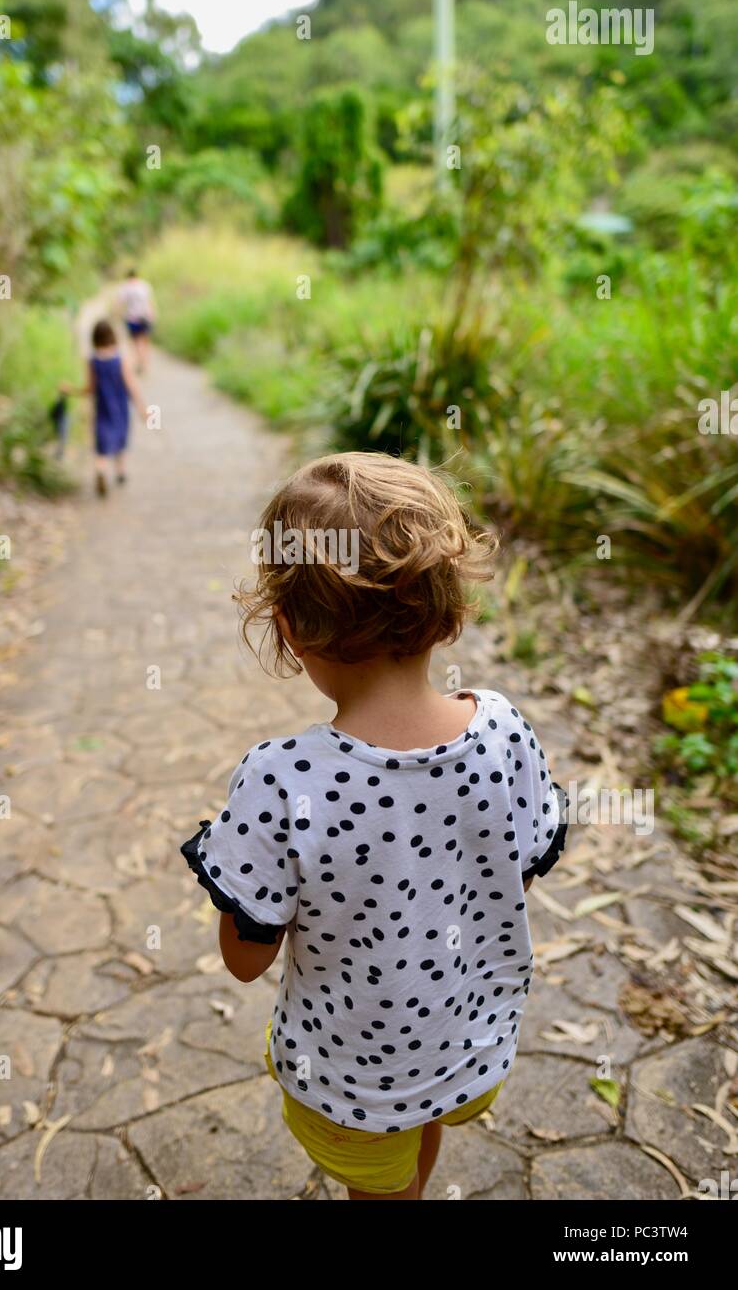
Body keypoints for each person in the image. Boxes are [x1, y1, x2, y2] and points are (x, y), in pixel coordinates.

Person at [182, 452, 567, 1201]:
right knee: (414, 1149)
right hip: (465, 1046)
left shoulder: (281, 778)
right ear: (446, 607)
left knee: (376, 1190)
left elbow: (243, 961)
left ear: (290, 629)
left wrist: (243, 866)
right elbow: (511, 873)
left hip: (350, 1081)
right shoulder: (503, 729)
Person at [62, 319, 147, 497]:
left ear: (95, 338)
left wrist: (70, 390)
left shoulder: (92, 361)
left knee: (102, 445)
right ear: (112, 337)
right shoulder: (119, 359)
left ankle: (101, 471)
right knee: (120, 439)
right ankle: (120, 472)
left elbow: (89, 389)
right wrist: (141, 408)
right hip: (120, 408)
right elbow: (131, 385)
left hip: (102, 409)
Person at [117, 268, 155, 375]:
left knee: (135, 342)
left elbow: (119, 303)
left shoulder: (125, 287)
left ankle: (140, 362)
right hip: (145, 317)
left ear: (128, 277)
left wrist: (118, 315)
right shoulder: (144, 285)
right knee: (145, 341)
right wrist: (152, 314)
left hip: (132, 318)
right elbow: (150, 302)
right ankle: (145, 364)